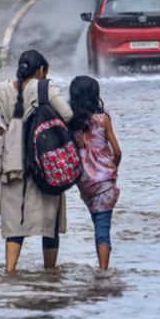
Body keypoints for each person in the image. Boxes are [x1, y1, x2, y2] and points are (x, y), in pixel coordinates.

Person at [0, 50, 73, 274]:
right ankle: (50, 273)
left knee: (14, 219)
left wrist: (2, 130)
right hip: (44, 157)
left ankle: (10, 271)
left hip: (12, 159)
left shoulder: (0, 90)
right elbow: (67, 115)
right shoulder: (45, 88)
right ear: (40, 70)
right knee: (49, 222)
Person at [69, 76, 122, 271]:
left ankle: (101, 268)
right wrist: (112, 168)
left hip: (83, 183)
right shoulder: (102, 120)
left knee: (96, 222)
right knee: (103, 228)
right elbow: (117, 151)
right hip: (104, 182)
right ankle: (103, 271)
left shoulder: (71, 122)